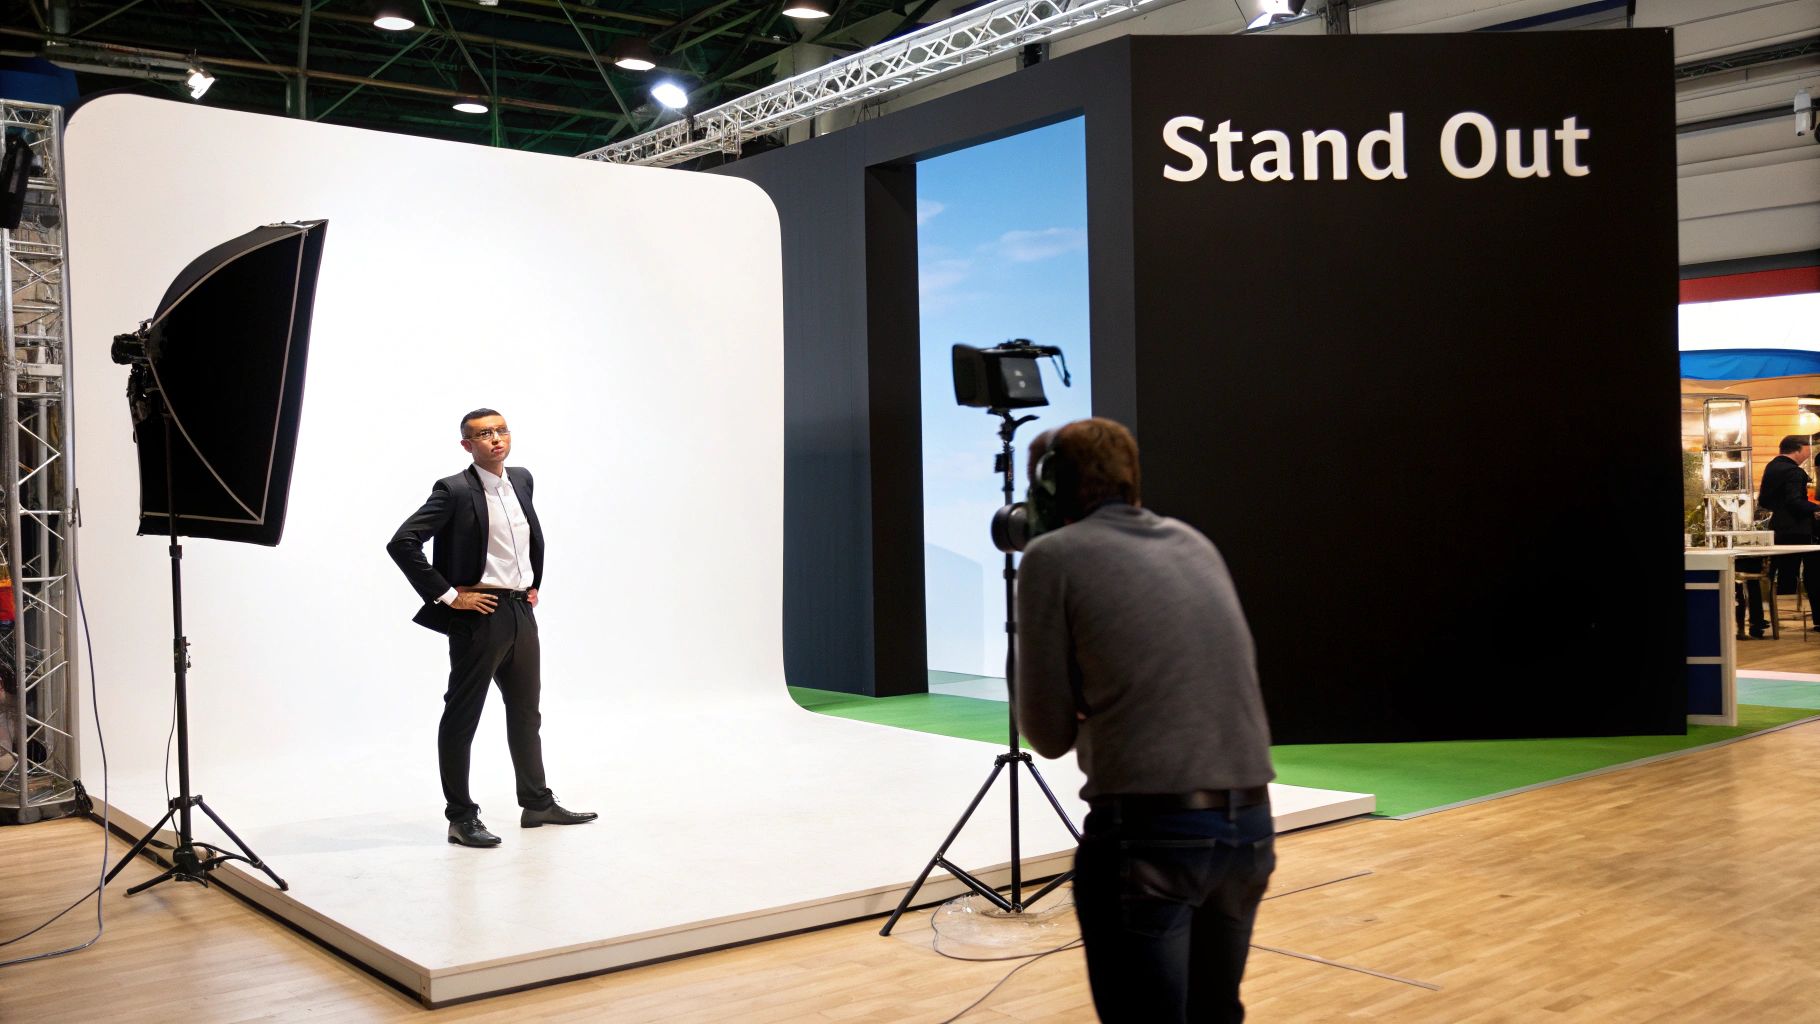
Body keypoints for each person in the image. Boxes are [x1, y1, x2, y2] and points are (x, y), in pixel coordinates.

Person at [1014, 417, 1276, 1024]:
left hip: (1150, 833)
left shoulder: (1052, 557)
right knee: (1215, 1014)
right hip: (1249, 829)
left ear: (1051, 489)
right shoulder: (1194, 542)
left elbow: (1047, 735)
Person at [388, 408, 596, 848]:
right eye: (483, 434)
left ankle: (536, 801)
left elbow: (520, 543)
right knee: (463, 715)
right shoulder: (453, 490)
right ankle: (461, 817)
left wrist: (531, 585)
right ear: (467, 445)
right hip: (478, 616)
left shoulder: (521, 479)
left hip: (521, 612)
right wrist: (449, 595)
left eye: (501, 430)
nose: (496, 439)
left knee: (526, 712)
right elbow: (403, 542)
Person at [1757, 434, 1820, 632]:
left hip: (1779, 528)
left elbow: (1765, 501)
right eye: (1807, 447)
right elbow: (1795, 501)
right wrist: (1815, 509)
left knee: (1779, 574)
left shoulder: (1772, 467)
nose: (1810, 452)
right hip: (1799, 530)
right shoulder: (1795, 472)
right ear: (1798, 448)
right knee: (1815, 573)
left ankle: (1761, 619)